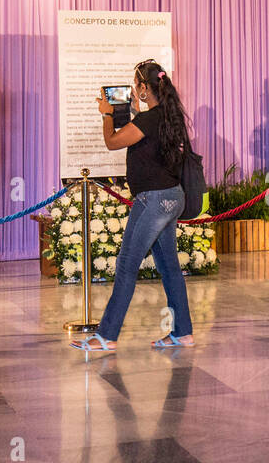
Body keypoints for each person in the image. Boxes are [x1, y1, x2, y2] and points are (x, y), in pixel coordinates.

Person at [76, 59, 194, 352]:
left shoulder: (147, 120)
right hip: (172, 197)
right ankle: (182, 333)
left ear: (142, 87)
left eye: (137, 85)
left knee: (127, 265)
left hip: (152, 200)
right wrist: (132, 109)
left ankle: (106, 336)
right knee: (169, 268)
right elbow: (145, 128)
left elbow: (113, 142)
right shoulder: (168, 115)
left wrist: (106, 114)